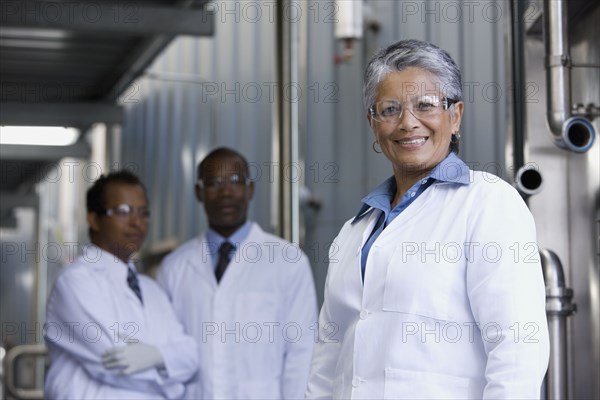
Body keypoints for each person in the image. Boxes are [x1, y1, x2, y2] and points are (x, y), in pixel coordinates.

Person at [305, 39, 550, 399]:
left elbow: (517, 348)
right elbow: (328, 354)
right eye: (389, 109)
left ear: (455, 115)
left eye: (426, 105)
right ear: (373, 123)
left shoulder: (488, 203)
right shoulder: (355, 229)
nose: (407, 123)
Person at [157, 147, 318, 399]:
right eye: (214, 183)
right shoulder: (174, 268)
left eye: (235, 181)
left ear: (250, 189)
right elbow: (165, 349)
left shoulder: (288, 261)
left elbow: (301, 352)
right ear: (199, 192)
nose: (225, 192)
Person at [44, 170, 199, 399]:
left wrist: (156, 355)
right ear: (94, 219)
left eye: (143, 212)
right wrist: (172, 378)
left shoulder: (151, 289)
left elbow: (191, 356)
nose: (137, 222)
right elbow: (114, 363)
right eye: (123, 211)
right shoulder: (76, 282)